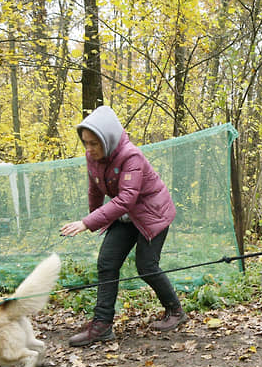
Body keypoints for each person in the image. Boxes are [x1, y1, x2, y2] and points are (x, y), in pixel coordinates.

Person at [60, 106, 188, 346]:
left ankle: (176, 311)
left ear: (107, 139)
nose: (89, 149)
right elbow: (95, 190)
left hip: (152, 213)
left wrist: (86, 223)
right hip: (126, 215)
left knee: (146, 265)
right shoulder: (93, 158)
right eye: (85, 143)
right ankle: (102, 325)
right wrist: (94, 218)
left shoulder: (131, 156)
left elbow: (127, 198)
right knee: (107, 262)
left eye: (94, 143)